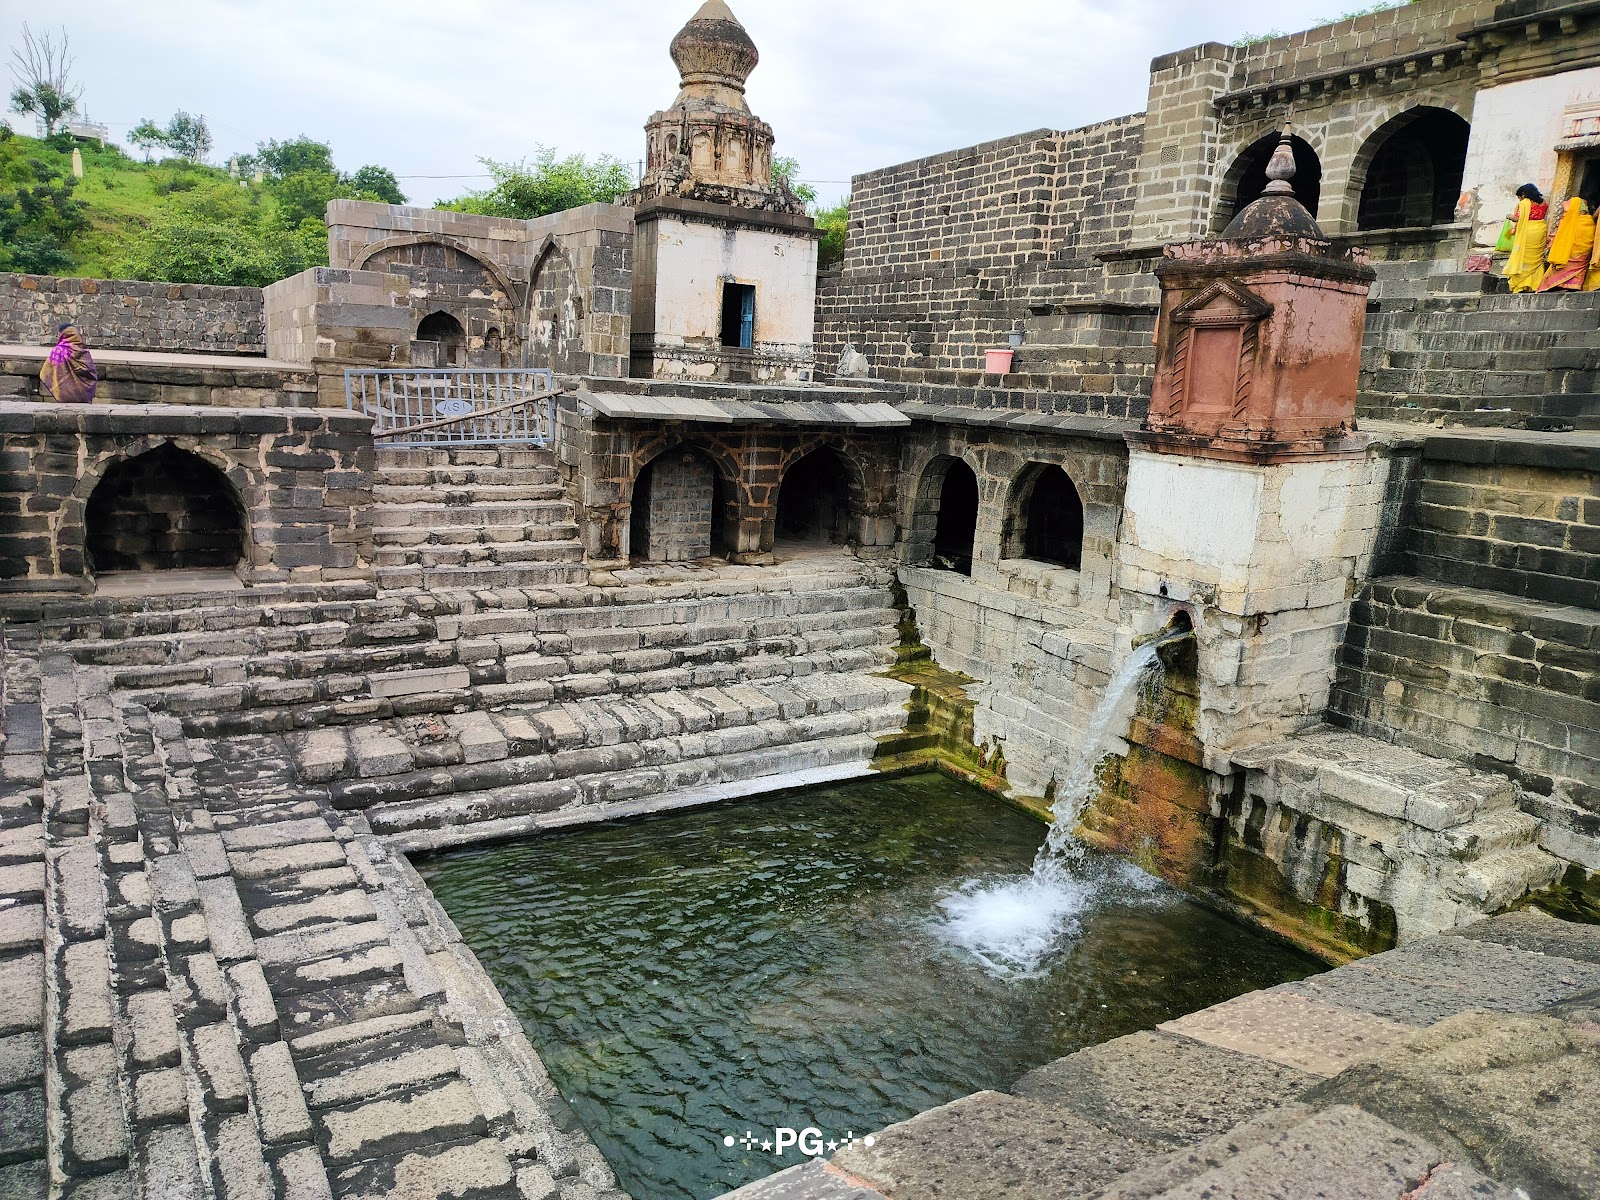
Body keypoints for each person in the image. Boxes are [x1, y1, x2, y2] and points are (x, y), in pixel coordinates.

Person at [1537, 192, 1599, 292]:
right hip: (1586, 237)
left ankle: (1558, 283)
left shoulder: (1573, 209)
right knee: (1581, 263)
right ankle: (1574, 285)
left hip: (1575, 238)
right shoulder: (1589, 220)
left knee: (1569, 260)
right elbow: (1592, 217)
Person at [39, 323, 98, 404]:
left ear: (62, 335)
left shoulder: (58, 350)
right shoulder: (83, 350)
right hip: (84, 392)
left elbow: (47, 372)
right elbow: (90, 370)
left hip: (66, 392)